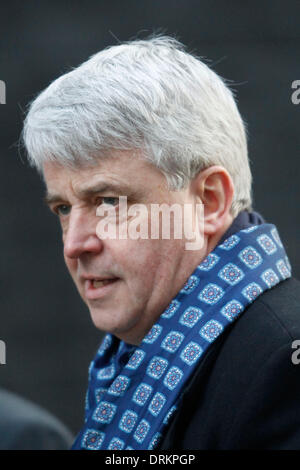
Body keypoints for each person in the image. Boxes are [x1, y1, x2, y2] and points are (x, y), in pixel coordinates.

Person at [22, 35, 300, 450]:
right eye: (63, 208)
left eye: (109, 202)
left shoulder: (282, 366)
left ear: (209, 201)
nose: (75, 244)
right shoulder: (129, 356)